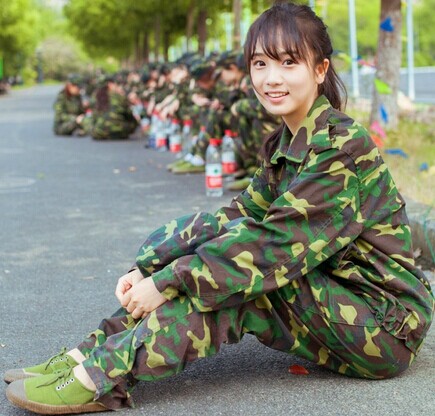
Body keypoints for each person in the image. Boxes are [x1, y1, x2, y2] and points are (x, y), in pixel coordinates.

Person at [4, 2, 434, 414]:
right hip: (339, 299)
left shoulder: (340, 147)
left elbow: (271, 248)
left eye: (289, 63)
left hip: (384, 328)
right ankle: (90, 354)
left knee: (241, 281)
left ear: (320, 70)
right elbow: (237, 216)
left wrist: (173, 278)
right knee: (223, 258)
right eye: (260, 64)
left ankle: (102, 375)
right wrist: (154, 264)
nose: (271, 78)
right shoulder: (285, 143)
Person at [90, 76, 139, 141]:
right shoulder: (118, 96)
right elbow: (129, 114)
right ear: (110, 84)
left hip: (98, 132)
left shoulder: (95, 97)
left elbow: (94, 117)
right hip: (117, 131)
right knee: (133, 121)